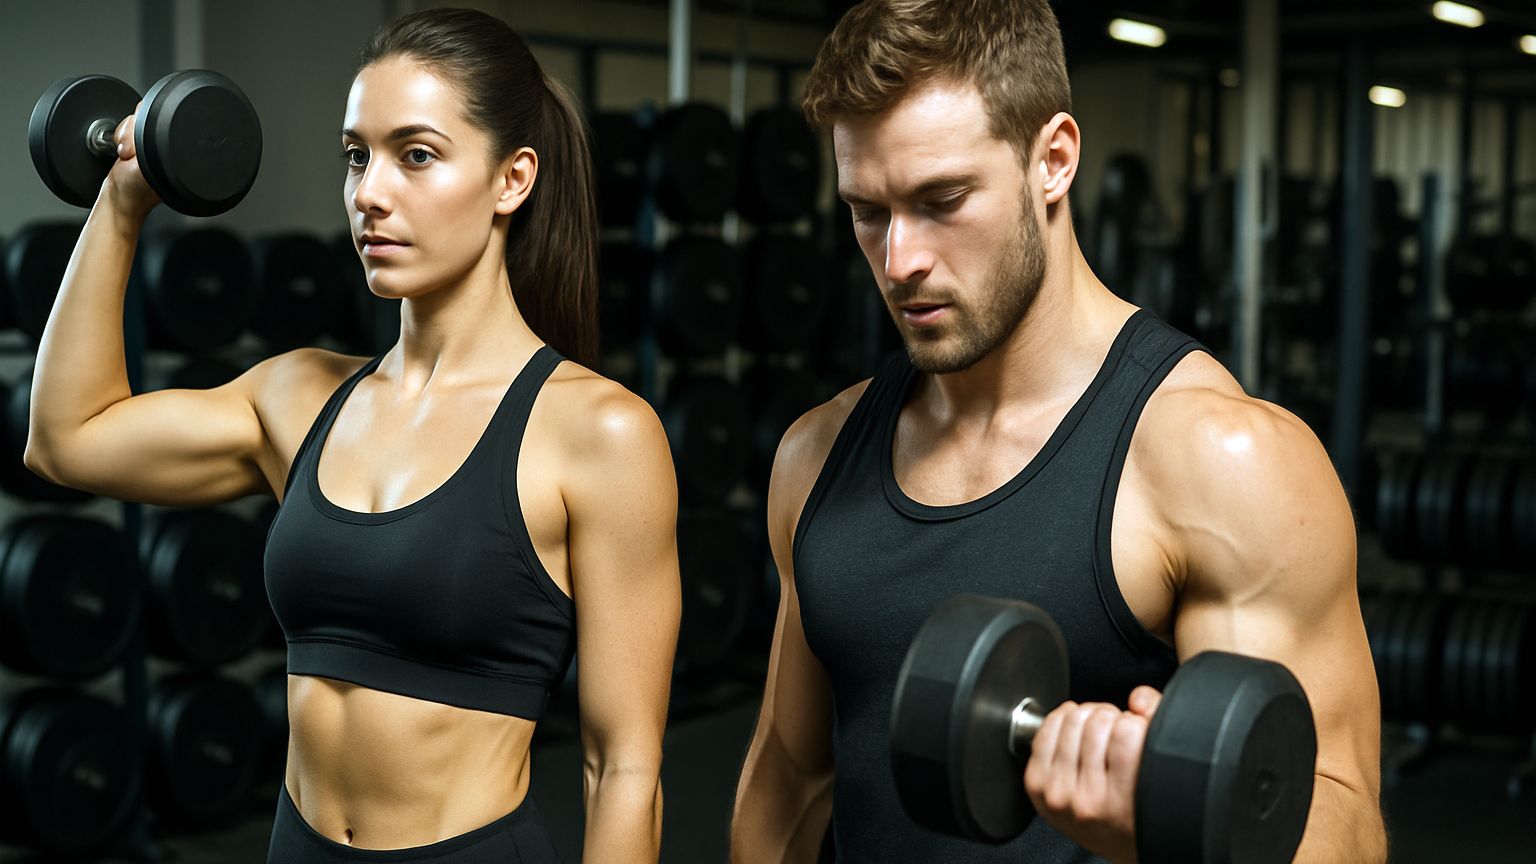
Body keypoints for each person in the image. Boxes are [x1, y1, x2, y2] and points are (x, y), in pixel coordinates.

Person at [731, 1, 1387, 862]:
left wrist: (1160, 836)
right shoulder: (816, 456)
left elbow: (1344, 824)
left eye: (943, 200)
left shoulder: (1217, 461)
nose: (899, 261)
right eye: (867, 211)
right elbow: (790, 778)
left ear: (1054, 159)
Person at [24, 8, 679, 864]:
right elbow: (66, 438)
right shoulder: (299, 397)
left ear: (512, 179)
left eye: (415, 155)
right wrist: (122, 199)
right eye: (356, 155)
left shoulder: (599, 433)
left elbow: (623, 766)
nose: (370, 191)